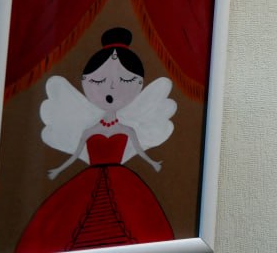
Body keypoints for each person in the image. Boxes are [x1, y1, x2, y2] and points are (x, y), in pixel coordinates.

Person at [16, 28, 174, 251]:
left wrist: (153, 163)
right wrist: (59, 170)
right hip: (88, 181)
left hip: (123, 183)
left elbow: (139, 150)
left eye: (125, 80)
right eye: (98, 80)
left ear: (139, 84)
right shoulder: (90, 129)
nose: (111, 88)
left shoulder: (127, 128)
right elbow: (76, 154)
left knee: (133, 223)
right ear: (85, 81)